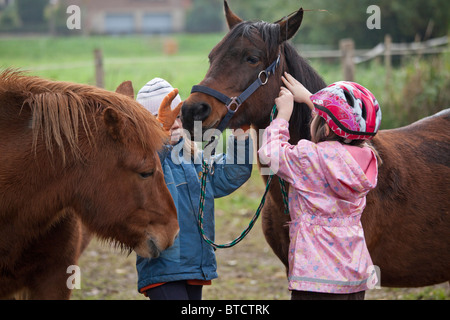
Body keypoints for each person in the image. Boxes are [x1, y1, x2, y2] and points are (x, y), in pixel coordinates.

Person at [258, 72, 382, 300]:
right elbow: (340, 128)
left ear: (324, 129)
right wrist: (310, 98)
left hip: (315, 280)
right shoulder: (366, 159)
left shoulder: (309, 158)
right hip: (354, 277)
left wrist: (283, 117)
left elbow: (271, 153)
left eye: (317, 117)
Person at [135, 78, 253, 300]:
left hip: (194, 266)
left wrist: (241, 133)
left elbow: (230, 175)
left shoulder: (194, 158)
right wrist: (159, 137)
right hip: (163, 269)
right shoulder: (145, 164)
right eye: (164, 120)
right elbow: (146, 171)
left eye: (178, 117)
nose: (176, 124)